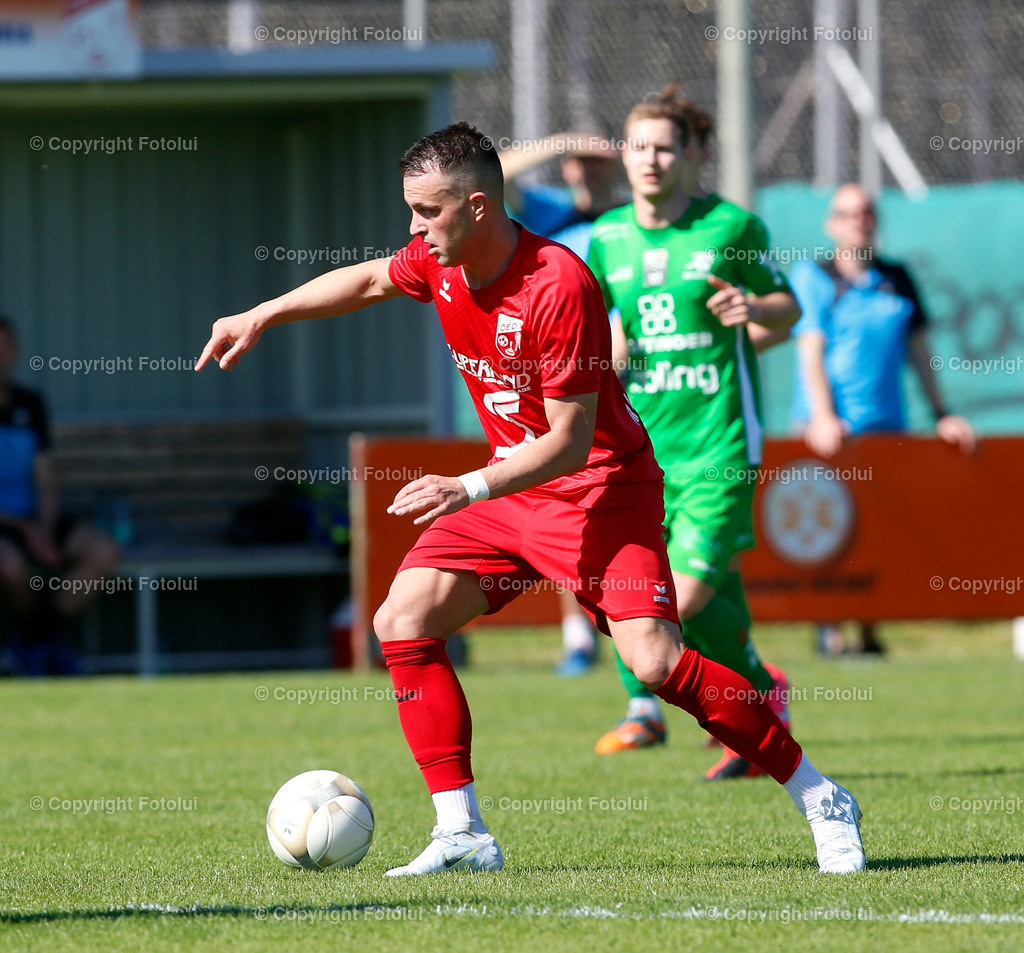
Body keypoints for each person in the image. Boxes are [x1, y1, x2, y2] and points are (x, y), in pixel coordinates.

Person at [197, 121, 865, 876]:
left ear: (478, 207)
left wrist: (467, 485)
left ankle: (821, 795)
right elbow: (373, 278)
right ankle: (462, 832)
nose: (413, 230)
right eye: (410, 212)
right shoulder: (438, 261)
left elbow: (571, 443)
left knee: (654, 662)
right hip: (512, 494)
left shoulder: (560, 283)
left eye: (426, 212)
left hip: (599, 492)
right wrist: (262, 314)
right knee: (402, 620)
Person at [586, 88, 798, 780]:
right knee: (674, 604)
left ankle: (701, 706)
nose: (650, 159)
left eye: (665, 147)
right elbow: (607, 329)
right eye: (639, 145)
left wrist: (750, 305)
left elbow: (787, 308)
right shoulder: (607, 237)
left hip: (720, 448)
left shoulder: (731, 227)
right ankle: (759, 693)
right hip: (645, 454)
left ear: (695, 154)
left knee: (672, 601)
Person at [791, 183, 976, 655]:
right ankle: (828, 631)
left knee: (878, 532)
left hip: (886, 429)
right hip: (829, 430)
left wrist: (942, 414)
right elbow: (811, 351)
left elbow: (919, 352)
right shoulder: (815, 276)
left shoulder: (899, 278)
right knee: (829, 530)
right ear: (832, 223)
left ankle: (869, 634)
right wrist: (823, 417)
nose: (859, 220)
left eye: (867, 212)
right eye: (848, 213)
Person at [499, 130, 623, 675]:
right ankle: (578, 637)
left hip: (631, 383)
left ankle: (640, 628)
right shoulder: (550, 214)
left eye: (600, 161)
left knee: (626, 510)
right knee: (564, 503)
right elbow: (492, 175)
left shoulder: (629, 222)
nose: (588, 170)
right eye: (580, 161)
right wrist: (561, 139)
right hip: (557, 382)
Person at [0, 316, 121, 675]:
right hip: (7, 526)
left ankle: (33, 641)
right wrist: (25, 529)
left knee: (104, 552)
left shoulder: (30, 404)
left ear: (15, 353)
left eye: (3, 348)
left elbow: (45, 475)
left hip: (36, 521)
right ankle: (39, 644)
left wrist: (45, 527)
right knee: (10, 567)